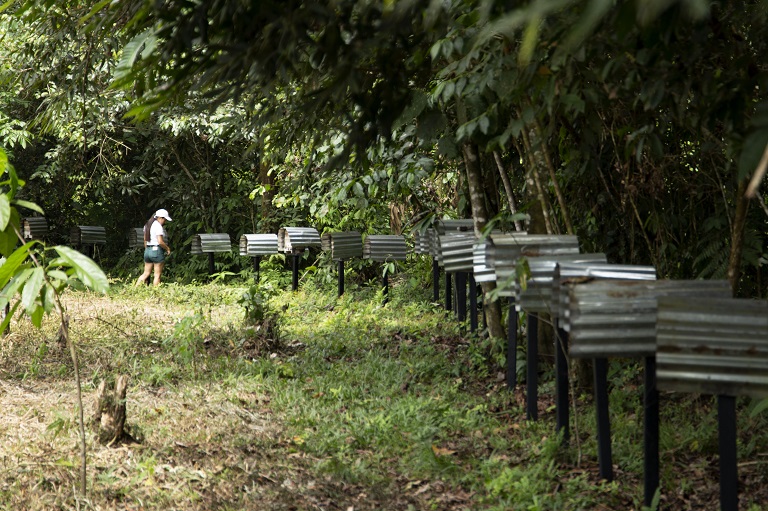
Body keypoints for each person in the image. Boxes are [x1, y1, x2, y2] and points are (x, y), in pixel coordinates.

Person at [135, 209, 172, 286]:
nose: (164, 222)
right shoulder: (158, 226)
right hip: (156, 251)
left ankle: (134, 289)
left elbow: (145, 240)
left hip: (148, 250)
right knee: (157, 275)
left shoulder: (147, 225)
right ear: (160, 218)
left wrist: (147, 250)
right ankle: (155, 293)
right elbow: (160, 241)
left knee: (146, 273)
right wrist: (167, 248)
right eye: (165, 219)